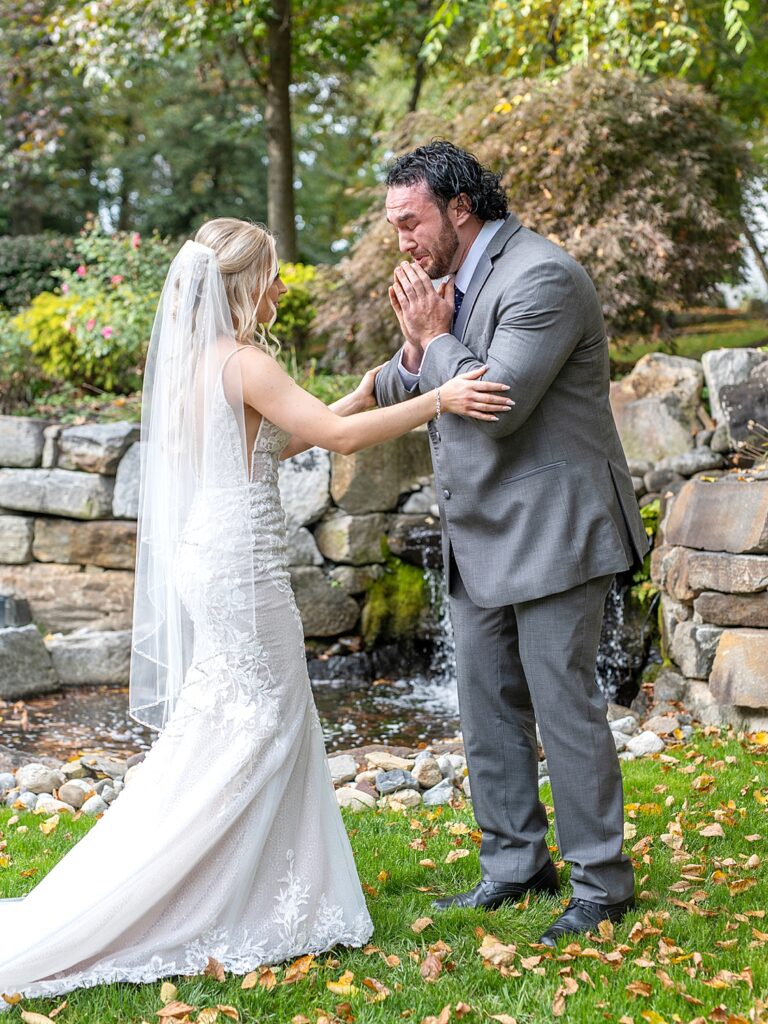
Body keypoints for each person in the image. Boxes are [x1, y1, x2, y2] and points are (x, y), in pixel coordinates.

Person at [0, 217, 513, 1004]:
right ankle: (208, 894)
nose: (281, 287)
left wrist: (378, 385)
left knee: (238, 723)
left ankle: (256, 882)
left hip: (212, 557)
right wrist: (440, 397)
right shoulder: (243, 360)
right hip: (241, 567)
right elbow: (336, 440)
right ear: (241, 285)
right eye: (272, 274)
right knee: (260, 726)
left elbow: (284, 434)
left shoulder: (198, 364)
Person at [375, 141, 650, 946]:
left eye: (409, 220)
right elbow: (414, 377)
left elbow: (491, 399)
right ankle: (514, 864)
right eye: (393, 224)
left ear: (459, 207)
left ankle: (601, 885)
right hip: (479, 530)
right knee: (486, 706)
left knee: (564, 710)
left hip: (557, 529)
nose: (401, 239)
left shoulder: (543, 277)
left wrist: (430, 337)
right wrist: (392, 363)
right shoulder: (444, 281)